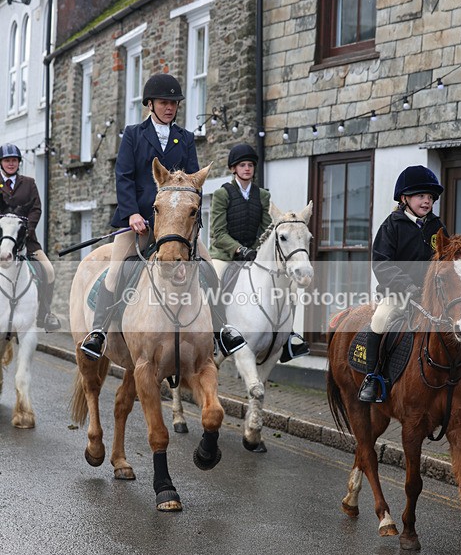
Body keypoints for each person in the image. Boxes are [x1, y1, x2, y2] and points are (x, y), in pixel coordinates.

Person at [80, 73, 246, 360]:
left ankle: (222, 329)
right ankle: (98, 332)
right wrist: (132, 213)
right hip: (140, 224)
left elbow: (195, 183)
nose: (169, 107)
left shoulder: (186, 138)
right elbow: (124, 176)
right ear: (150, 104)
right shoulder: (133, 134)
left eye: (173, 103)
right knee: (116, 271)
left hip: (177, 227)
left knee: (207, 268)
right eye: (163, 102)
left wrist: (188, 219)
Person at [358, 164, 461, 403]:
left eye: (430, 197)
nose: (426, 201)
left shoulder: (437, 226)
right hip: (398, 294)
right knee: (379, 320)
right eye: (421, 196)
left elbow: (448, 261)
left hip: (432, 295)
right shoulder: (391, 226)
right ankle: (372, 377)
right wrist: (407, 286)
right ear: (404, 198)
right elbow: (381, 264)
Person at [209, 143, 309, 361]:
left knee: (288, 286)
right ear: (234, 169)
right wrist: (239, 249)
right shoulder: (222, 194)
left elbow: (267, 230)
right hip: (225, 255)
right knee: (214, 281)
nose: (247, 169)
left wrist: (256, 251)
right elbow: (218, 232)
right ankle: (216, 336)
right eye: (242, 165)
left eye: (250, 165)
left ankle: (288, 337)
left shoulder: (262, 196)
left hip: (254, 255)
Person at [0, 143, 61, 332]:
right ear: (1, 163)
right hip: (2, 240)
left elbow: (36, 208)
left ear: (18, 162)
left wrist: (27, 228)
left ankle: (44, 313)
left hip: (26, 239)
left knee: (48, 271)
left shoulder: (28, 183)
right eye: (7, 160)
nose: (11, 164)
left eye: (14, 160)